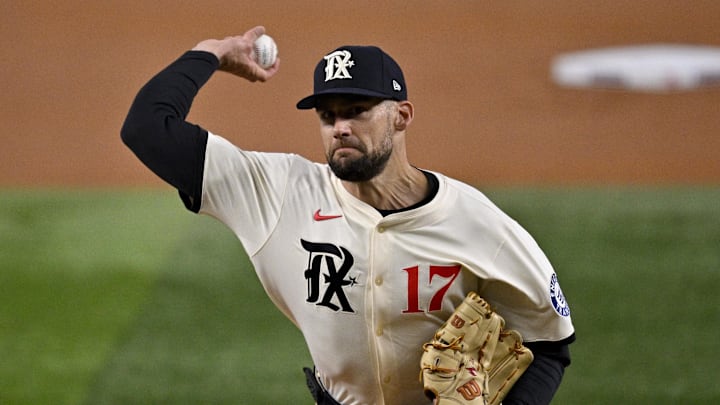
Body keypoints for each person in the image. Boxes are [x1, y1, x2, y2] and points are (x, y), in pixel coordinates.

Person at [121, 25, 575, 405]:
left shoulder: (477, 223)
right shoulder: (277, 193)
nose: (340, 127)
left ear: (401, 116)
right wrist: (212, 53)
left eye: (357, 111)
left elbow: (549, 343)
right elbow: (146, 128)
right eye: (328, 115)